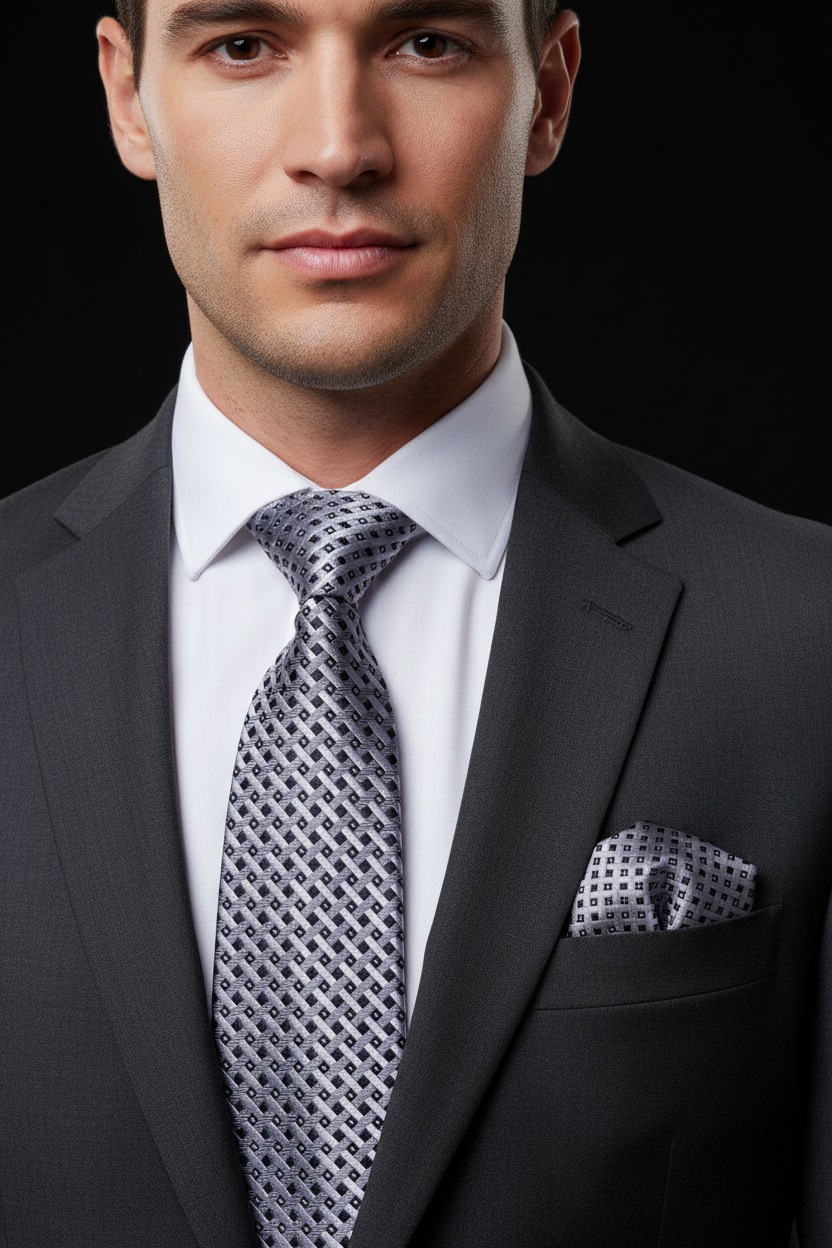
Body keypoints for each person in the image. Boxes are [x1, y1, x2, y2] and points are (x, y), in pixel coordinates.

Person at [0, 1, 828, 1245]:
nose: (339, 146)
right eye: (241, 44)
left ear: (546, 91)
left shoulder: (805, 640)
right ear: (129, 96)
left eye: (426, 42)